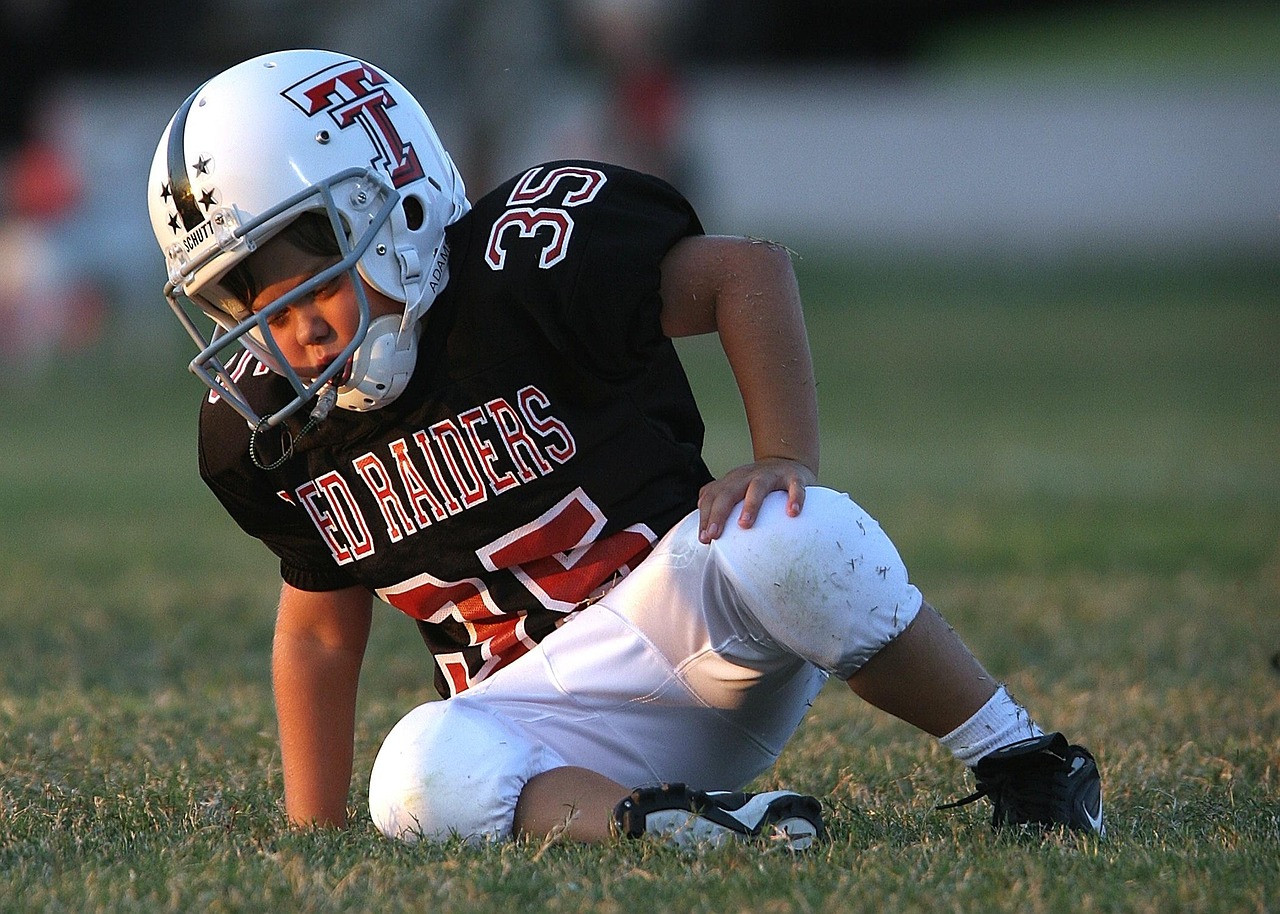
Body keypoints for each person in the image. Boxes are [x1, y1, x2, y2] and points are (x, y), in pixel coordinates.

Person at [146, 49, 1104, 848]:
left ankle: (1025, 761)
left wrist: (786, 456)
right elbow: (317, 630)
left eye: (304, 286)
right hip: (542, 721)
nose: (288, 334)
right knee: (413, 773)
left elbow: (745, 271)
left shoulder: (525, 272)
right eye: (244, 307)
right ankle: (696, 832)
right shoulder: (269, 431)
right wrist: (314, 840)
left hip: (694, 619)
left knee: (795, 532)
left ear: (393, 212)